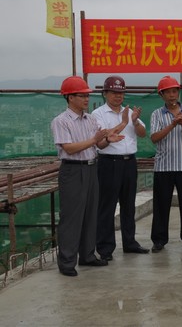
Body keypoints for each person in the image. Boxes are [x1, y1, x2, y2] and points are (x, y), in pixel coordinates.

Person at [51, 76, 123, 277]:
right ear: (70, 97)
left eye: (87, 95)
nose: (86, 99)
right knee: (71, 217)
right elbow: (69, 148)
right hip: (73, 170)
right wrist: (94, 140)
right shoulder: (61, 121)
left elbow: (98, 144)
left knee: (91, 214)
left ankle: (88, 255)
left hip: (91, 168)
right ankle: (67, 261)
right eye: (82, 95)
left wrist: (108, 140)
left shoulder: (90, 119)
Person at [92, 76, 149, 261]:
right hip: (109, 162)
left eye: (121, 93)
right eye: (114, 92)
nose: (118, 96)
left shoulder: (130, 112)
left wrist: (135, 121)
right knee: (107, 206)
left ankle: (130, 242)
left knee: (128, 205)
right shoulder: (98, 114)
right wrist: (123, 123)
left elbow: (142, 133)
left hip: (129, 162)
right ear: (105, 93)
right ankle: (105, 248)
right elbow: (101, 139)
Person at [149, 76, 182, 252]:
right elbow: (154, 137)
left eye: (174, 91)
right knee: (161, 206)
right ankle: (159, 240)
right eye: (168, 92)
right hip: (163, 167)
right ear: (161, 95)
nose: (172, 95)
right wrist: (172, 125)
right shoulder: (157, 114)